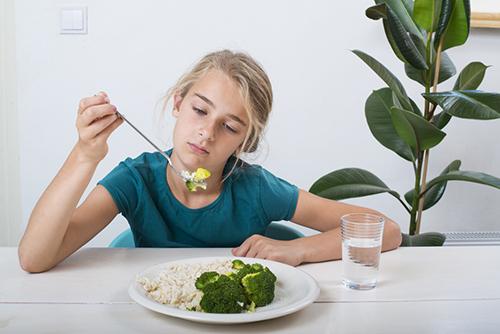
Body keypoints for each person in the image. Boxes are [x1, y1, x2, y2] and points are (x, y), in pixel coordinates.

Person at [18, 50, 402, 273]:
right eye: (200, 110)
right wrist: (85, 154)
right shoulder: (137, 179)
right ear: (178, 102)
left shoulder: (255, 188)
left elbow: (387, 231)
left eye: (230, 126)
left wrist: (297, 251)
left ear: (245, 141)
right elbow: (35, 258)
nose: (207, 133)